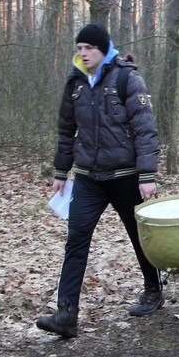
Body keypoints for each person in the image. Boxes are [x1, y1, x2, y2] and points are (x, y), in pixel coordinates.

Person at [35, 24, 163, 339]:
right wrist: (60, 172)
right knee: (76, 239)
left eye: (88, 48)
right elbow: (66, 130)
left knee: (139, 236)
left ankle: (153, 289)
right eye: (79, 48)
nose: (82, 53)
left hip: (125, 176)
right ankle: (66, 314)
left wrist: (147, 175)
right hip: (88, 179)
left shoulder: (126, 78)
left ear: (103, 49)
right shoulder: (75, 83)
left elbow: (145, 128)